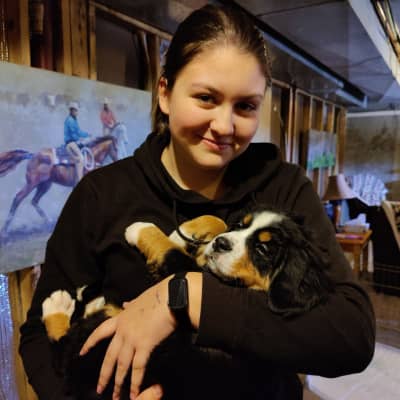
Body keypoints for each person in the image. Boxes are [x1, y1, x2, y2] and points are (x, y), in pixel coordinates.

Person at [19, 4, 375, 400]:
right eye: (206, 98)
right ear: (165, 93)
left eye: (246, 106)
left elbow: (352, 335)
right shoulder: (100, 195)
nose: (224, 126)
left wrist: (189, 296)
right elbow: (38, 336)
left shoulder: (284, 189)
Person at [64, 101, 90, 182]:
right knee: (81, 158)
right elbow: (73, 135)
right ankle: (80, 180)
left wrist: (87, 134)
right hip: (70, 143)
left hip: (74, 142)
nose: (77, 112)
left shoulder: (74, 120)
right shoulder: (70, 120)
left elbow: (79, 131)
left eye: (77, 110)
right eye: (75, 110)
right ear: (71, 111)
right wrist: (80, 139)